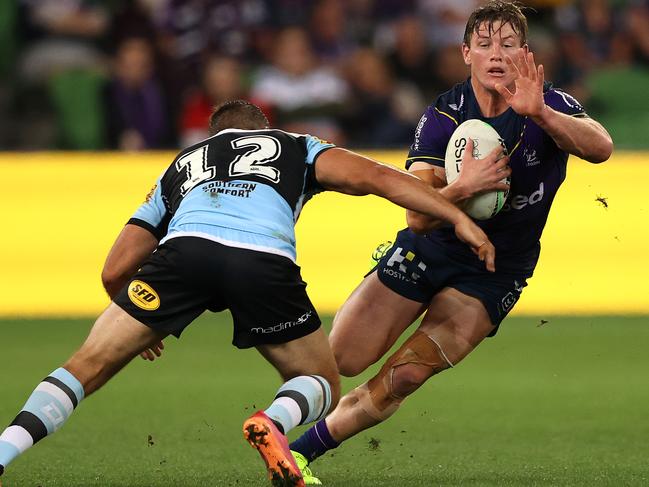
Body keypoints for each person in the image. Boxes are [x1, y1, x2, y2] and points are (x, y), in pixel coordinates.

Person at [0, 100, 496, 487]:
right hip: (261, 261)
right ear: (263, 127)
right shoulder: (295, 144)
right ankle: (272, 421)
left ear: (214, 138)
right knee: (319, 379)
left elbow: (114, 269)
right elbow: (378, 179)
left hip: (183, 256)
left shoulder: (182, 164)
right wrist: (455, 216)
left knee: (86, 365)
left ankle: (3, 452)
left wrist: (137, 314)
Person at [289, 1, 613, 484]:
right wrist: (464, 188)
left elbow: (601, 148)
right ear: (466, 53)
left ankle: (297, 455)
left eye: (507, 44)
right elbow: (418, 217)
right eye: (484, 45)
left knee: (405, 376)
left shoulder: (548, 104)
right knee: (338, 364)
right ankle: (274, 422)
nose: (496, 55)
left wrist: (541, 113)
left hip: (494, 272)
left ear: (524, 52)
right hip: (430, 250)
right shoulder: (443, 116)